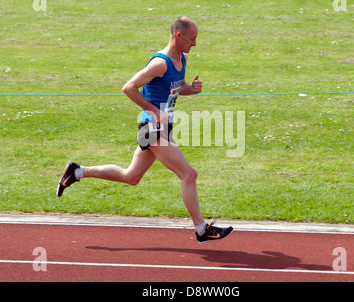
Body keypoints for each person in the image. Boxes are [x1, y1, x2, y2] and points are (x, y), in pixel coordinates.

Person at [56, 16, 233, 243]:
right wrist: (153, 110)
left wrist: (192, 89)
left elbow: (174, 89)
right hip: (151, 127)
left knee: (131, 176)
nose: (195, 44)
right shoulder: (160, 63)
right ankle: (201, 229)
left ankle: (77, 171)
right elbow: (128, 87)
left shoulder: (182, 60)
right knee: (189, 175)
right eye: (192, 38)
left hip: (162, 126)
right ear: (179, 36)